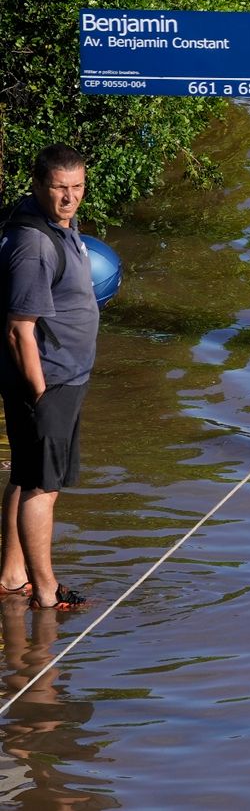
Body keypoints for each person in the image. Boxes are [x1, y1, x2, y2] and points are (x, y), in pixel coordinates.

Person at [0, 146, 99, 611]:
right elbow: (19, 329)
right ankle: (44, 591)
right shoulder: (33, 245)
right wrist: (41, 396)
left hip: (62, 378)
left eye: (77, 186)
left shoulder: (57, 223)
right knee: (43, 486)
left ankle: (13, 575)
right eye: (60, 187)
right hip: (49, 381)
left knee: (25, 475)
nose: (70, 197)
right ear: (38, 184)